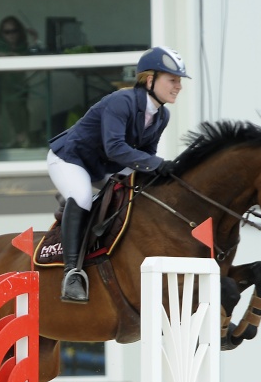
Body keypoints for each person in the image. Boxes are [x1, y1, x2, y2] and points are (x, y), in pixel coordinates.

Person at [47, 46, 189, 303]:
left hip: (105, 165)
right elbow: (115, 147)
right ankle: (72, 273)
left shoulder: (161, 116)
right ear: (150, 79)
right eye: (173, 80)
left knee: (144, 190)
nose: (178, 86)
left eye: (179, 81)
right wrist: (157, 163)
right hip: (70, 158)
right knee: (81, 197)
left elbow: (144, 153)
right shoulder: (120, 101)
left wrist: (160, 172)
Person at [0, 16, 35, 148]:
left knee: (19, 99)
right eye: (7, 32)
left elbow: (33, 58)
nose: (11, 35)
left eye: (14, 31)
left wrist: (35, 40)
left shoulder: (24, 46)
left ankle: (20, 136)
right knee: (13, 95)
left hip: (23, 87)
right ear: (1, 34)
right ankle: (21, 136)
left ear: (20, 32)